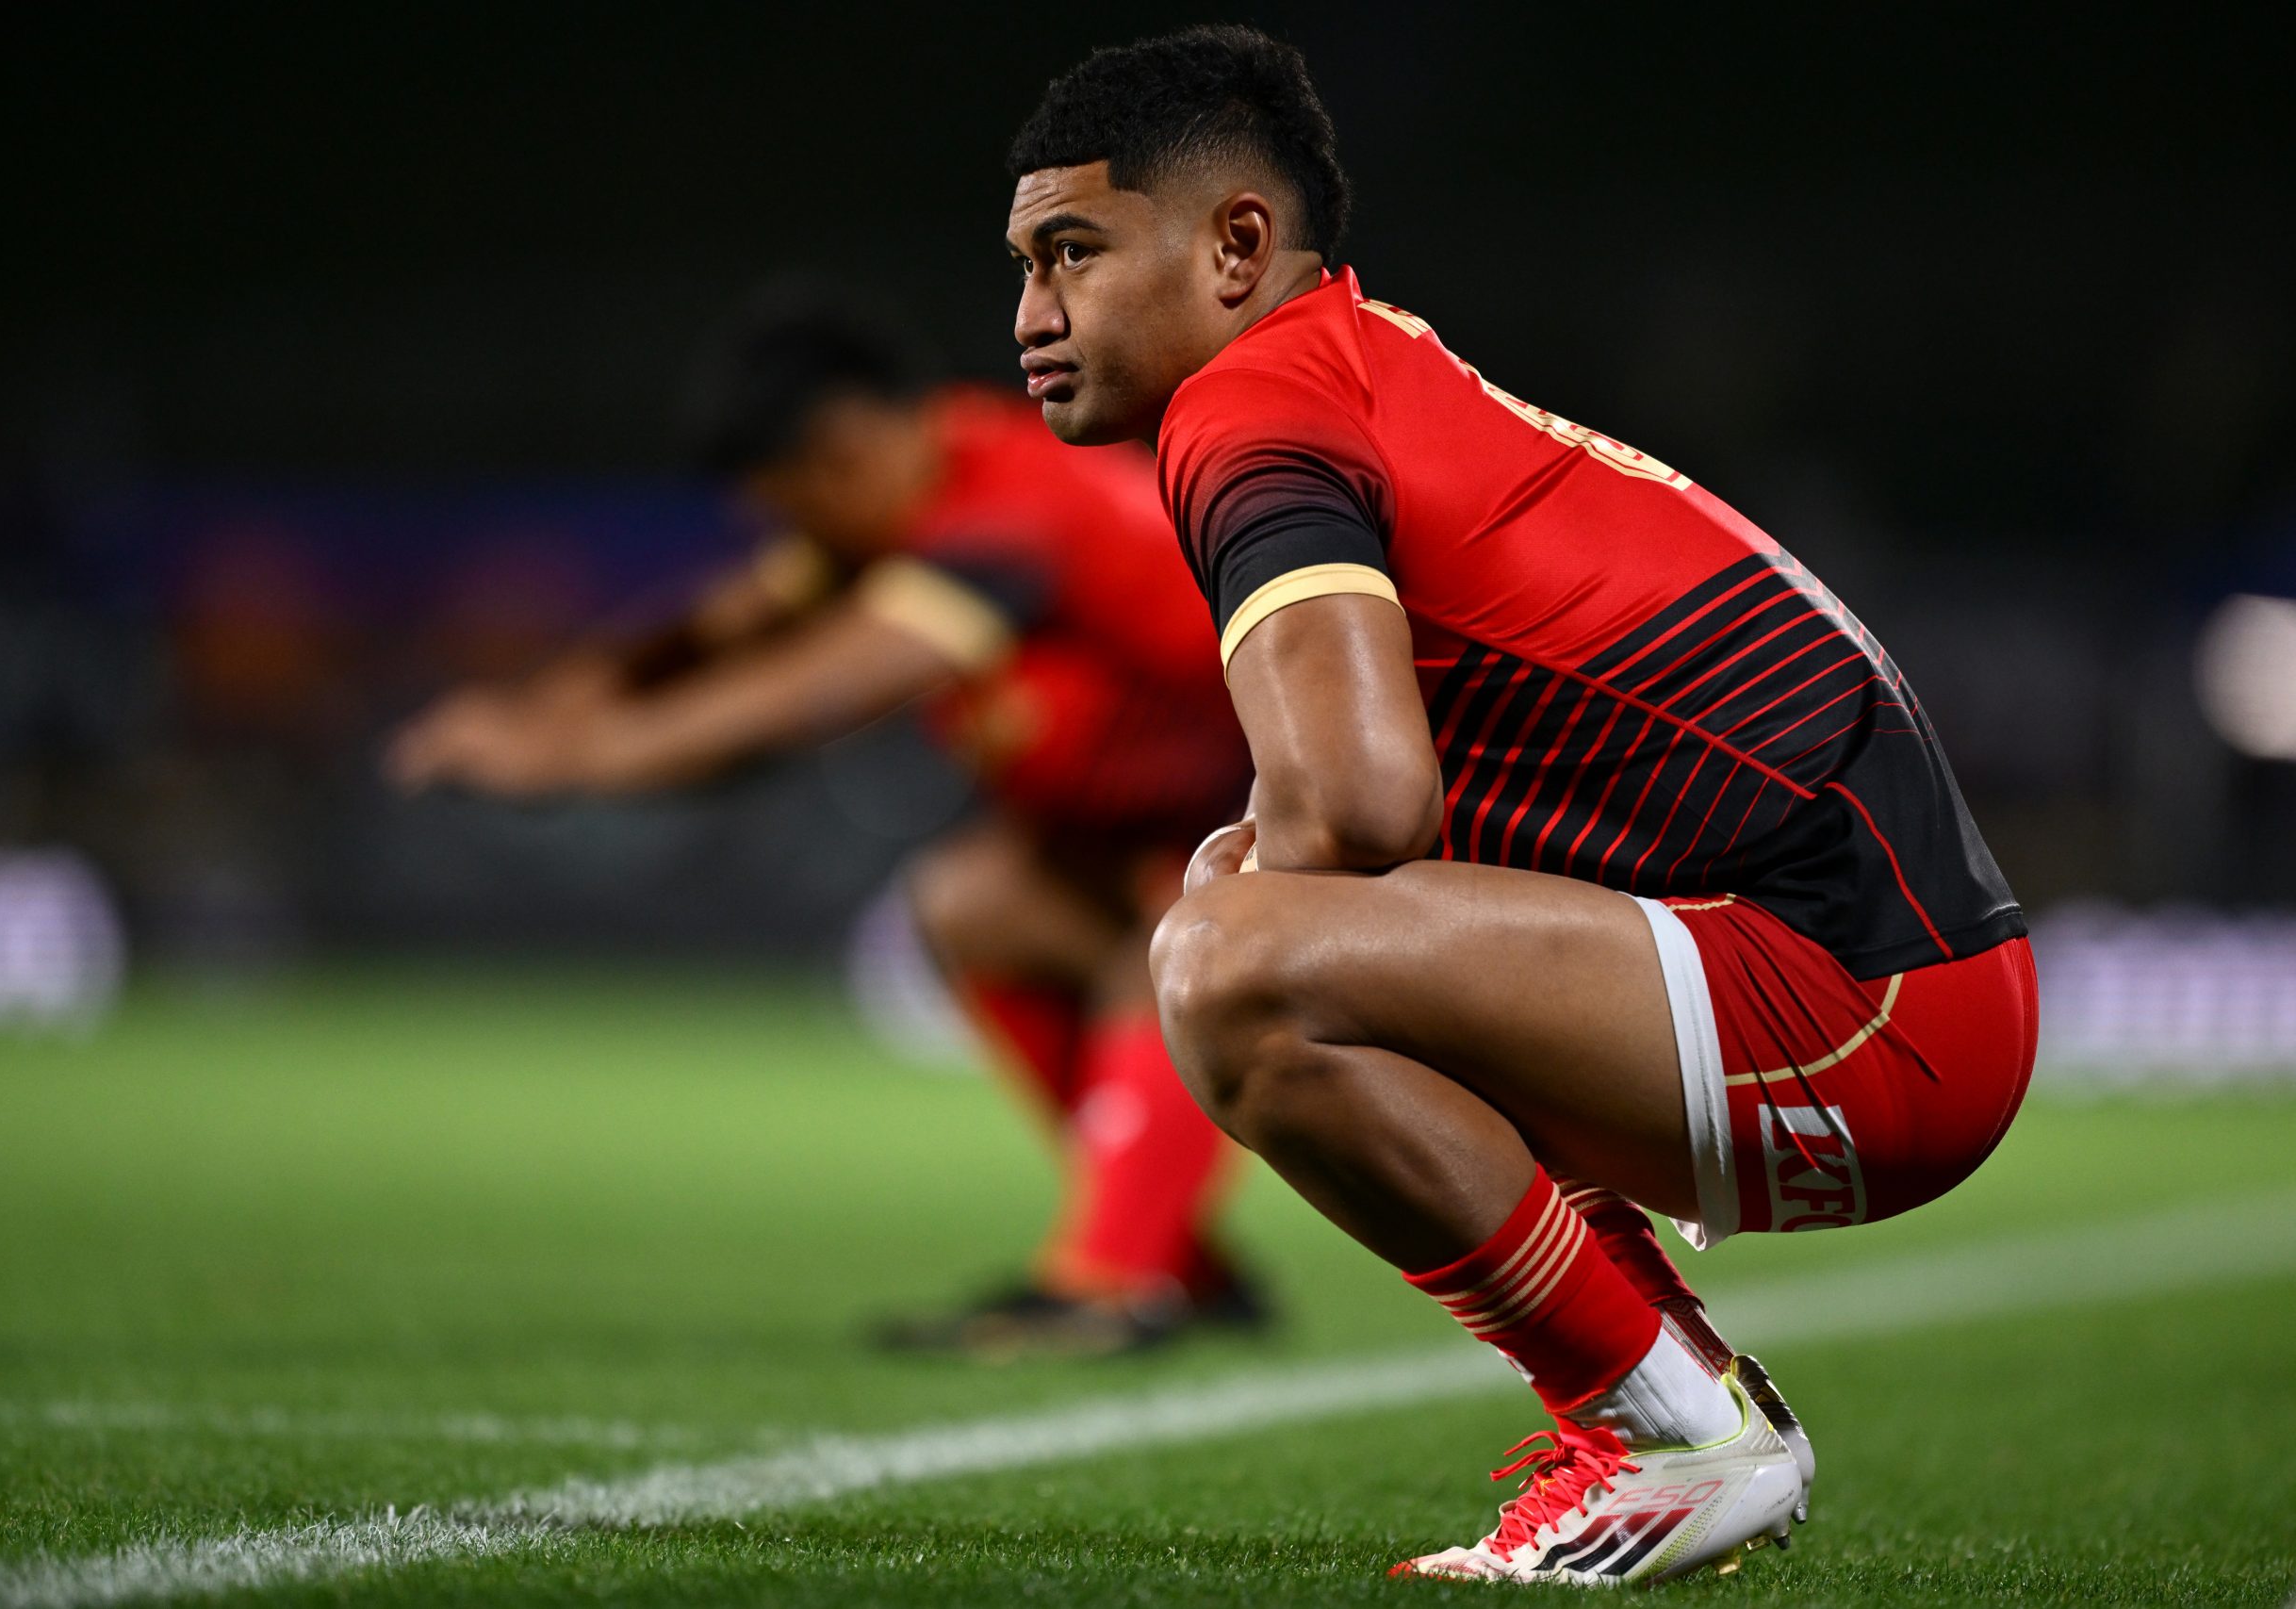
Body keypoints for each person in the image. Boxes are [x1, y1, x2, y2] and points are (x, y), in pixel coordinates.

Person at [1001, 26, 2034, 1585]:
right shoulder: (1353, 358)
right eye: (1022, 263)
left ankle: (1667, 1431)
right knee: (1246, 903)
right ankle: (1680, 1401)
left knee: (1230, 960)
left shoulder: (1247, 411)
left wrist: (1252, 887)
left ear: (1235, 247)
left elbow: (1355, 804)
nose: (1031, 313)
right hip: (1889, 971)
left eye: (1070, 254)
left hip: (1865, 1003)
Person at [386, 285, 1264, 1357]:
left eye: (788, 507)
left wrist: (560, 759)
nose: (783, 539)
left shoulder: (1011, 507)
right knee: (971, 904)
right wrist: (536, 709)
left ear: (844, 451)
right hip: (1161, 823)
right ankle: (1172, 1258)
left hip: (1299, 807)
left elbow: (806, 696)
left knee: (1165, 939)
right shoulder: (905, 497)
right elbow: (708, 635)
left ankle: (1110, 1285)